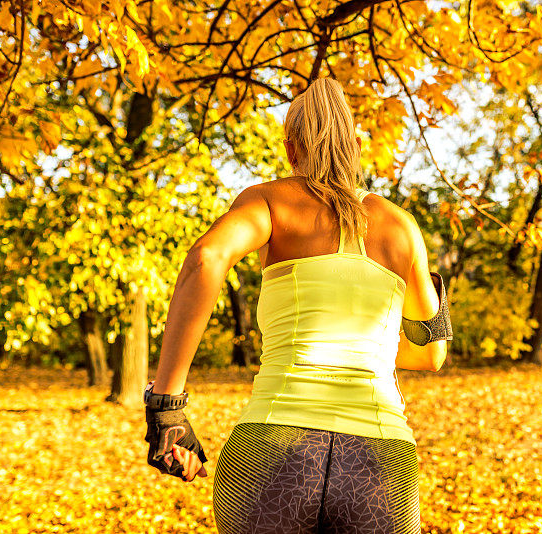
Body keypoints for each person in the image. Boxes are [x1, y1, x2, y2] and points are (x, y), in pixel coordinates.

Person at [143, 77, 453, 534]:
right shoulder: (401, 228)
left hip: (273, 449)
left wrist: (167, 405)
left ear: (291, 147)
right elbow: (431, 352)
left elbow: (207, 258)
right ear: (355, 144)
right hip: (380, 465)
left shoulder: (269, 201)